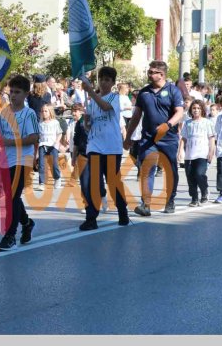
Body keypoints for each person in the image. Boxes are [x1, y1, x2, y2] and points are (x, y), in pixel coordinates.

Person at [124, 60, 184, 216]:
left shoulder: (173, 91)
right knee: (147, 169)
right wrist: (128, 137)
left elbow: (179, 112)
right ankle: (146, 205)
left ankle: (170, 200)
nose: (149, 74)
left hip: (168, 138)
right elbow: (136, 116)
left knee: (170, 170)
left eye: (152, 72)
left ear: (161, 74)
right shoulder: (144, 92)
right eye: (149, 72)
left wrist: (168, 125)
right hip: (148, 139)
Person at [0, 75, 39, 251]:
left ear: (26, 94)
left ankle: (10, 236)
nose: (14, 95)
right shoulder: (4, 113)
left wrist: (10, 142)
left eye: (18, 92)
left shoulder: (29, 114)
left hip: (22, 160)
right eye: (12, 92)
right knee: (12, 196)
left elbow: (34, 137)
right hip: (6, 159)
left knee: (12, 197)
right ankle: (27, 222)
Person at [78, 68, 129, 230]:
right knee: (90, 181)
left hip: (111, 147)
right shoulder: (92, 101)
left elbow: (106, 107)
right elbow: (89, 126)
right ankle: (91, 217)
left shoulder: (115, 97)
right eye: (101, 79)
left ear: (113, 83)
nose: (104, 82)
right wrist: (86, 122)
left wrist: (91, 92)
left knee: (113, 182)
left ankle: (122, 210)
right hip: (95, 146)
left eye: (107, 80)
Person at [178, 100, 215, 206]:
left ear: (202, 110)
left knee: (199, 174)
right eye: (194, 108)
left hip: (202, 154)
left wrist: (211, 152)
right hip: (189, 155)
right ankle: (194, 198)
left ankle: (204, 191)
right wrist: (180, 151)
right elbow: (183, 138)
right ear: (191, 110)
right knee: (190, 177)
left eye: (198, 108)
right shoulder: (188, 123)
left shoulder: (207, 122)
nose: (196, 110)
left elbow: (211, 139)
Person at [37, 103, 64, 191]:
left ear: (50, 112)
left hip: (52, 145)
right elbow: (39, 135)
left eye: (46, 111)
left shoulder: (55, 122)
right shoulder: (40, 123)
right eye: (42, 111)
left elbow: (59, 133)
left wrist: (56, 142)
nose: (44, 113)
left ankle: (57, 178)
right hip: (42, 145)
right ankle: (41, 183)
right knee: (41, 164)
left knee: (54, 164)